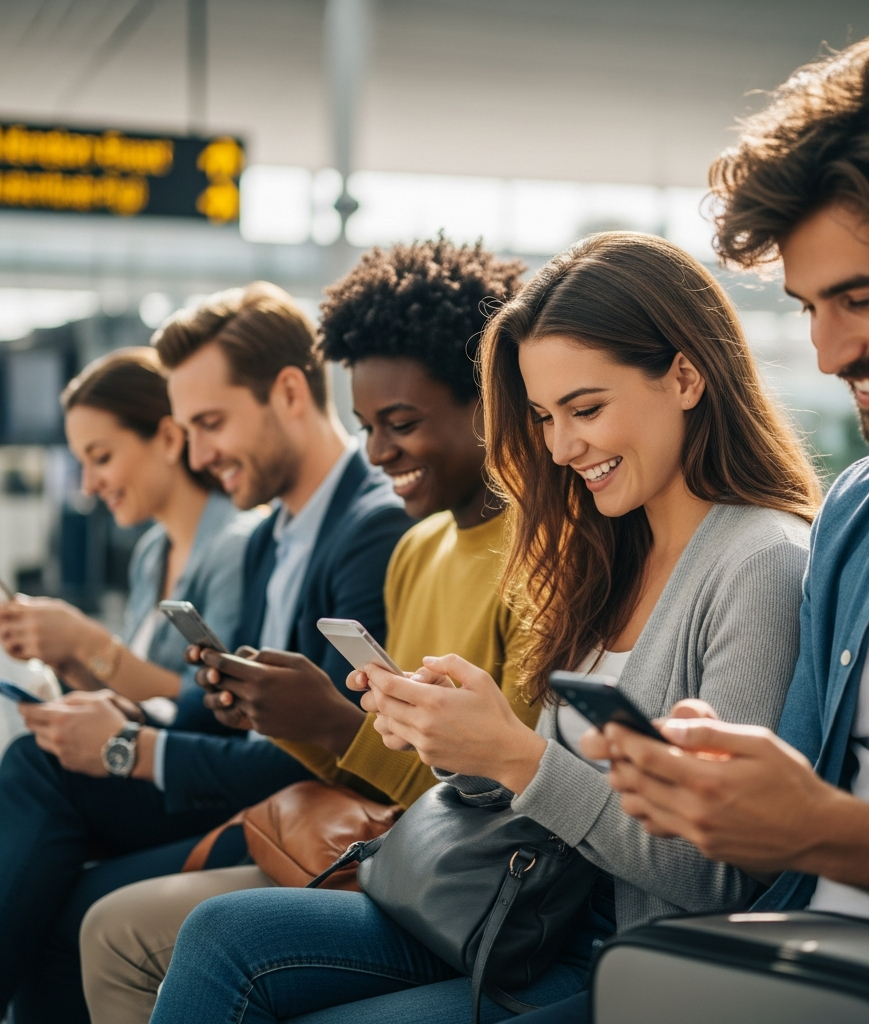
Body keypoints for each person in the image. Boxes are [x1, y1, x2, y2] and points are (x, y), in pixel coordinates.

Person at [148, 231, 821, 1024]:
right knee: (222, 933)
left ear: (685, 375)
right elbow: (544, 795)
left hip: (628, 959)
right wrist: (463, 743)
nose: (564, 446)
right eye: (543, 416)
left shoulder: (760, 562)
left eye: (587, 408)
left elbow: (716, 877)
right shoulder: (605, 548)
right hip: (528, 913)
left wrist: (518, 755)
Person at [595, 33, 869, 942]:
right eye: (809, 307)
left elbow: (818, 827)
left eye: (862, 299)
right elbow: (781, 831)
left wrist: (823, 831)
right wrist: (718, 785)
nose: (828, 354)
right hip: (790, 953)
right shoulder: (858, 513)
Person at [80, 237, 540, 1024]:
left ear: (488, 400)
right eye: (367, 424)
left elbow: (497, 790)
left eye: (399, 423)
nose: (378, 452)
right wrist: (290, 718)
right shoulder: (418, 545)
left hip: (464, 878)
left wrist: (331, 722)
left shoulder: (532, 561)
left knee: (161, 926)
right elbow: (393, 768)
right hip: (401, 850)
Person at [0, 284, 411, 1024]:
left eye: (211, 423)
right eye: (187, 429)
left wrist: (134, 748)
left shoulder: (372, 529)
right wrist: (132, 713)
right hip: (246, 786)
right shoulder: (262, 538)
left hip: (303, 807)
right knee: (40, 762)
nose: (195, 454)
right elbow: (224, 712)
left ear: (289, 392)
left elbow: (332, 750)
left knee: (67, 900)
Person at [0, 348, 257, 707]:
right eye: (82, 464)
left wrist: (87, 641)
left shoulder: (239, 547)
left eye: (101, 458)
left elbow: (216, 704)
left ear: (168, 439)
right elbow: (133, 707)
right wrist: (65, 657)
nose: (88, 486)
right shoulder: (152, 553)